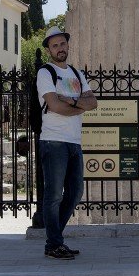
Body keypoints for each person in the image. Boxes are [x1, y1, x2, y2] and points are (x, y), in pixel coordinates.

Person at [36, 26, 97, 260]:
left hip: (74, 141)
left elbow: (94, 103)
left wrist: (69, 100)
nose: (60, 48)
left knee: (75, 193)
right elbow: (54, 106)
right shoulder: (46, 73)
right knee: (53, 196)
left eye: (62, 44)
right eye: (55, 45)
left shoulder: (76, 73)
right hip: (53, 141)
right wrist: (77, 104)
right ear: (49, 50)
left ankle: (54, 241)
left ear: (67, 45)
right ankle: (54, 243)